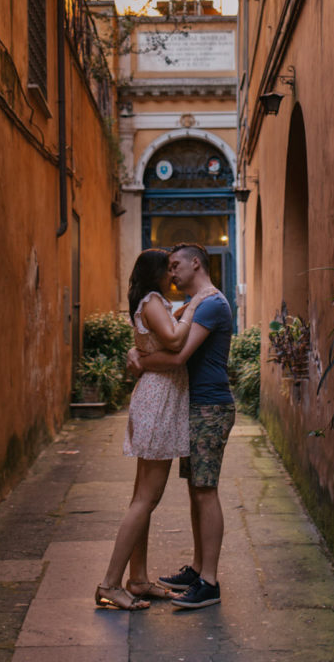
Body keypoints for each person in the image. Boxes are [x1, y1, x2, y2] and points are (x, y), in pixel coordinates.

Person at [95, 248, 214, 610]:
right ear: (157, 272)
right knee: (147, 499)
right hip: (159, 400)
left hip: (157, 397)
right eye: (170, 267)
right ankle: (110, 583)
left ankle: (138, 579)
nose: (174, 273)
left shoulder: (156, 302)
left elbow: (161, 335)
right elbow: (176, 341)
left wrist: (141, 352)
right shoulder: (153, 301)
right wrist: (197, 304)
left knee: (141, 498)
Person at [127, 242, 235, 611]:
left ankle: (210, 582)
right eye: (168, 267)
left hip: (210, 406)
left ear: (195, 264)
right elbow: (161, 331)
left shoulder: (212, 304)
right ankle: (199, 568)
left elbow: (179, 355)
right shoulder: (196, 303)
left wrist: (141, 360)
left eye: (175, 266)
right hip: (197, 406)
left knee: (206, 491)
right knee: (196, 490)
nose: (170, 273)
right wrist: (138, 351)